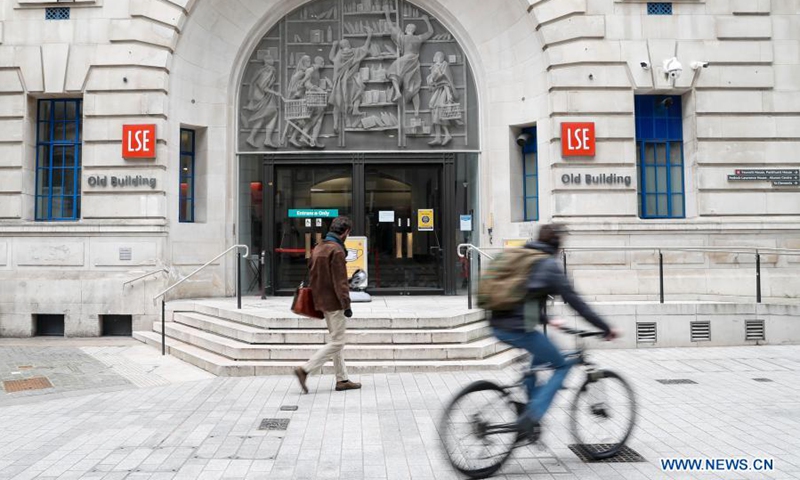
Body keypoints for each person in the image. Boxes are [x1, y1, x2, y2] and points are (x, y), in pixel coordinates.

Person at [489, 223, 618, 441]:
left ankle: (528, 414)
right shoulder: (549, 265)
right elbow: (577, 302)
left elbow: (523, 296)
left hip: (498, 323)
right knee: (561, 364)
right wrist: (605, 327)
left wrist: (546, 319)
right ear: (557, 245)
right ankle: (531, 417)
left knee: (539, 357)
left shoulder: (525, 255)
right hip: (518, 328)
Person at [294, 216, 362, 393]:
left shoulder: (319, 247)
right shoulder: (336, 251)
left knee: (334, 339)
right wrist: (347, 305)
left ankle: (342, 379)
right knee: (338, 342)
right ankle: (305, 369)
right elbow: (340, 283)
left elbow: (316, 273)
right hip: (334, 302)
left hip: (321, 301)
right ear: (346, 232)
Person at [385, 12, 433, 116]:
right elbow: (430, 32)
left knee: (392, 71)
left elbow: (390, 27)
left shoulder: (402, 37)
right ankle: (416, 111)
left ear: (406, 30)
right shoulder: (418, 38)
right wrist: (426, 20)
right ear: (414, 31)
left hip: (405, 59)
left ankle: (397, 91)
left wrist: (387, 15)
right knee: (415, 87)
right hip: (414, 61)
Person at [329, 28, 373, 133]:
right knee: (357, 94)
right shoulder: (355, 52)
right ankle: (353, 113)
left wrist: (333, 46)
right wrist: (369, 35)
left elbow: (331, 59)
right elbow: (365, 48)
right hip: (352, 80)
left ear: (341, 47)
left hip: (341, 82)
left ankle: (336, 124)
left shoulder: (339, 54)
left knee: (338, 103)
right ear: (348, 44)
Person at [243, 54, 279, 148]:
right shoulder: (268, 71)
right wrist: (275, 92)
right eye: (271, 58)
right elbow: (263, 86)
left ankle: (253, 138)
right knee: (272, 114)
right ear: (266, 61)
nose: (273, 60)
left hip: (263, 97)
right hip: (264, 98)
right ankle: (265, 139)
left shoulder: (265, 70)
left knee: (263, 117)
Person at [427, 51, 459, 146]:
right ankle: (438, 137)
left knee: (441, 113)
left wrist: (449, 94)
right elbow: (432, 81)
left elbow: (446, 80)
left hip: (444, 91)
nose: (438, 58)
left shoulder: (444, 66)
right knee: (435, 113)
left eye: (440, 56)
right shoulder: (435, 67)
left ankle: (447, 134)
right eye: (437, 56)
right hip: (438, 91)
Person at [284, 55, 312, 148]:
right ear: (303, 62)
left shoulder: (303, 72)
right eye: (307, 61)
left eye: (309, 60)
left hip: (298, 100)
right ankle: (293, 137)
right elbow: (296, 87)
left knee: (301, 120)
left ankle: (293, 137)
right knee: (301, 121)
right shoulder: (301, 73)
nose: (309, 62)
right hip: (297, 100)